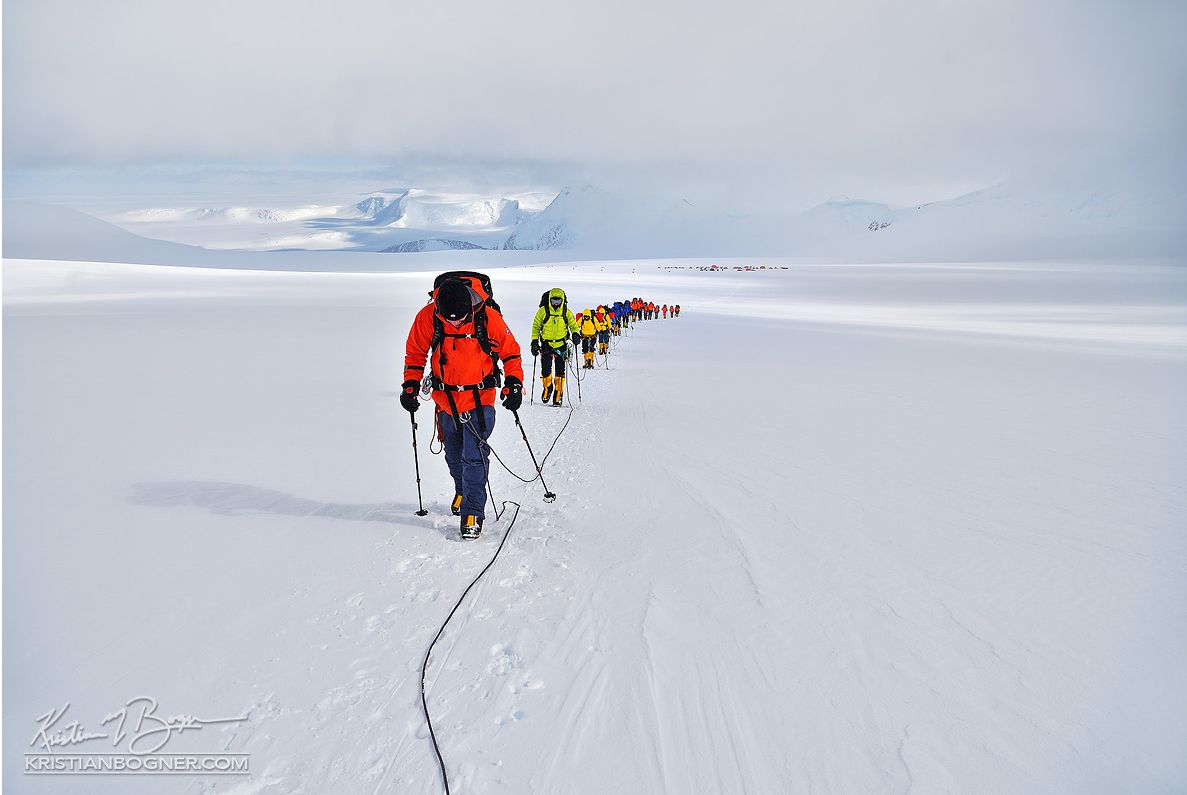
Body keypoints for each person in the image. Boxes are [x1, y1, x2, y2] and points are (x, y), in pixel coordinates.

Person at [401, 273, 524, 539]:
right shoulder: (429, 316)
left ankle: (473, 512)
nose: (454, 321)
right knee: (454, 455)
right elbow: (416, 352)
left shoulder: (488, 317)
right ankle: (462, 489)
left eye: (459, 317)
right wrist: (410, 385)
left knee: (474, 456)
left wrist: (514, 384)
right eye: (449, 318)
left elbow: (511, 353)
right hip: (445, 401)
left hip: (481, 399)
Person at [530, 287, 580, 407]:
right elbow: (536, 327)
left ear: (562, 300)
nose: (556, 304)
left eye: (558, 301)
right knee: (545, 370)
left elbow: (573, 324)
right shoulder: (543, 311)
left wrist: (576, 333)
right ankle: (547, 388)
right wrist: (534, 342)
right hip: (546, 345)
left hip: (561, 345)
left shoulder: (566, 312)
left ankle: (558, 392)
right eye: (553, 301)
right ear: (549, 300)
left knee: (560, 371)